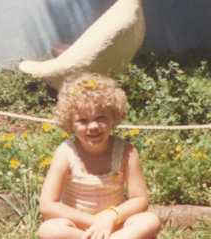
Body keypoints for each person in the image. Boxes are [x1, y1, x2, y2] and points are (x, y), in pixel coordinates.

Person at [38, 73, 161, 239]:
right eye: (83, 120)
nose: (93, 126)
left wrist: (111, 217)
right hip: (79, 227)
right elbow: (47, 205)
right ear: (70, 123)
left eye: (100, 117)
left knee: (150, 221)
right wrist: (94, 221)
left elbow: (140, 199)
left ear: (114, 116)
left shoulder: (126, 151)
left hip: (114, 226)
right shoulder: (66, 153)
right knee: (50, 229)